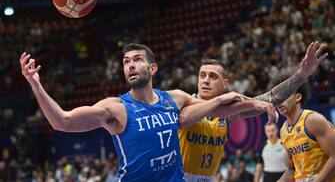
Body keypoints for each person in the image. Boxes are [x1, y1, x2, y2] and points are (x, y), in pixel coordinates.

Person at [20, 43, 275, 181]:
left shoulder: (174, 99)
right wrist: (36, 85)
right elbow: (62, 122)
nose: (130, 65)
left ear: (153, 68)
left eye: (137, 59)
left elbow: (220, 108)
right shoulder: (115, 109)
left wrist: (256, 104)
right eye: (126, 62)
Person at [178, 41, 328, 182]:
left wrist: (301, 75)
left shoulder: (229, 113)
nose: (205, 80)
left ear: (225, 84)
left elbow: (271, 97)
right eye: (202, 75)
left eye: (213, 76)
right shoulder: (183, 104)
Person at [276, 77, 335, 182]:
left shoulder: (312, 120)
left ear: (297, 97)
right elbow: (292, 169)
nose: (279, 100)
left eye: (284, 95)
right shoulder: (283, 131)